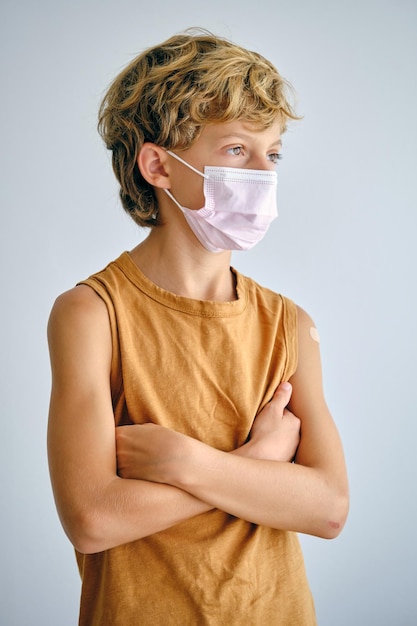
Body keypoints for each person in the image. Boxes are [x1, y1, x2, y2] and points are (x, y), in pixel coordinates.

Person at [47, 29, 349, 626]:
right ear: (159, 164)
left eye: (274, 152)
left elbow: (329, 508)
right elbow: (91, 520)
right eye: (238, 150)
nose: (264, 172)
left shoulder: (290, 325)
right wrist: (259, 462)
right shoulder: (93, 314)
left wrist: (188, 463)